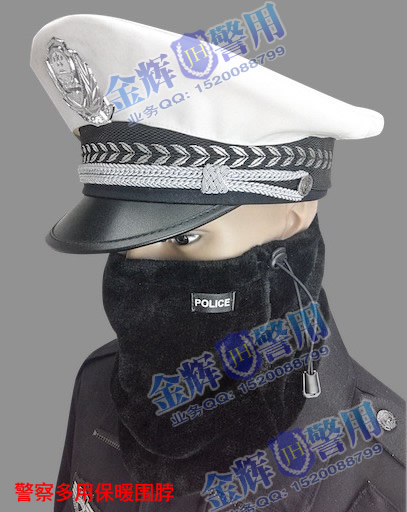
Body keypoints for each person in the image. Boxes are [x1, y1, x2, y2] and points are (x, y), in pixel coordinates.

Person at [30, 14, 405, 512]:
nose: (139, 270)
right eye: (126, 244)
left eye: (184, 236)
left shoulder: (382, 468)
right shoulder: (98, 386)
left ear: (292, 217)